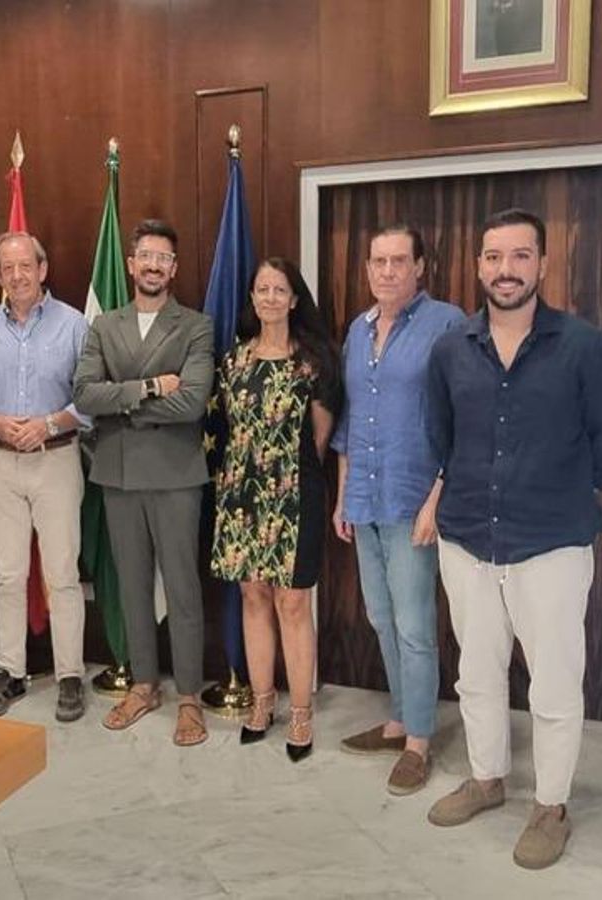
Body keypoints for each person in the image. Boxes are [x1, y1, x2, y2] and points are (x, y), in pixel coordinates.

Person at [424, 208, 602, 870]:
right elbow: (442, 438)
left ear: (542, 265)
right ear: (478, 265)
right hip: (465, 541)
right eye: (493, 257)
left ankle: (550, 806)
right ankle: (488, 778)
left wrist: (559, 488)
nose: (505, 269)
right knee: (475, 672)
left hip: (551, 545)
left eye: (520, 256)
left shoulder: (586, 348)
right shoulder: (452, 348)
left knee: (552, 683)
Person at [332, 226, 465, 794]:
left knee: (414, 627)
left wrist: (438, 497)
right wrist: (343, 495)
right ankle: (400, 718)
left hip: (416, 500)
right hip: (364, 496)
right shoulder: (357, 332)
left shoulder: (447, 324)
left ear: (420, 267)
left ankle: (418, 742)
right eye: (378, 262)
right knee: (380, 618)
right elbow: (349, 418)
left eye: (398, 261)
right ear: (367, 270)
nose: (387, 271)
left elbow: (464, 419)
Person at [73, 219, 215, 746]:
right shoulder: (104, 326)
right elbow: (85, 395)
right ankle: (143, 684)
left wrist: (123, 401)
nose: (154, 266)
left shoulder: (196, 326)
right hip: (118, 473)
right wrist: (152, 387)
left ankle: (190, 698)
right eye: (146, 257)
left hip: (177, 474)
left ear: (174, 269)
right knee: (131, 586)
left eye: (164, 258)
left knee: (182, 588)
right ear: (131, 264)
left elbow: (193, 403)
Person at [0, 232, 90, 722]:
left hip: (56, 459)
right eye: (7, 269)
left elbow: (91, 399)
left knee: (63, 574)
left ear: (43, 268)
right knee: (7, 575)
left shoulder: (74, 325)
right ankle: (8, 672)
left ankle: (69, 675)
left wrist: (49, 424)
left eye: (25, 266)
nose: (17, 276)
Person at [210, 258, 340, 763]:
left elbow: (321, 439)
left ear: (293, 299)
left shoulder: (314, 363)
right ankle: (262, 704)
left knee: (291, 603)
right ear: (253, 299)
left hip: (295, 495)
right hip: (240, 496)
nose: (269, 297)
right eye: (261, 289)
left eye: (278, 289)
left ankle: (301, 711)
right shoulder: (234, 362)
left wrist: (286, 477)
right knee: (253, 596)